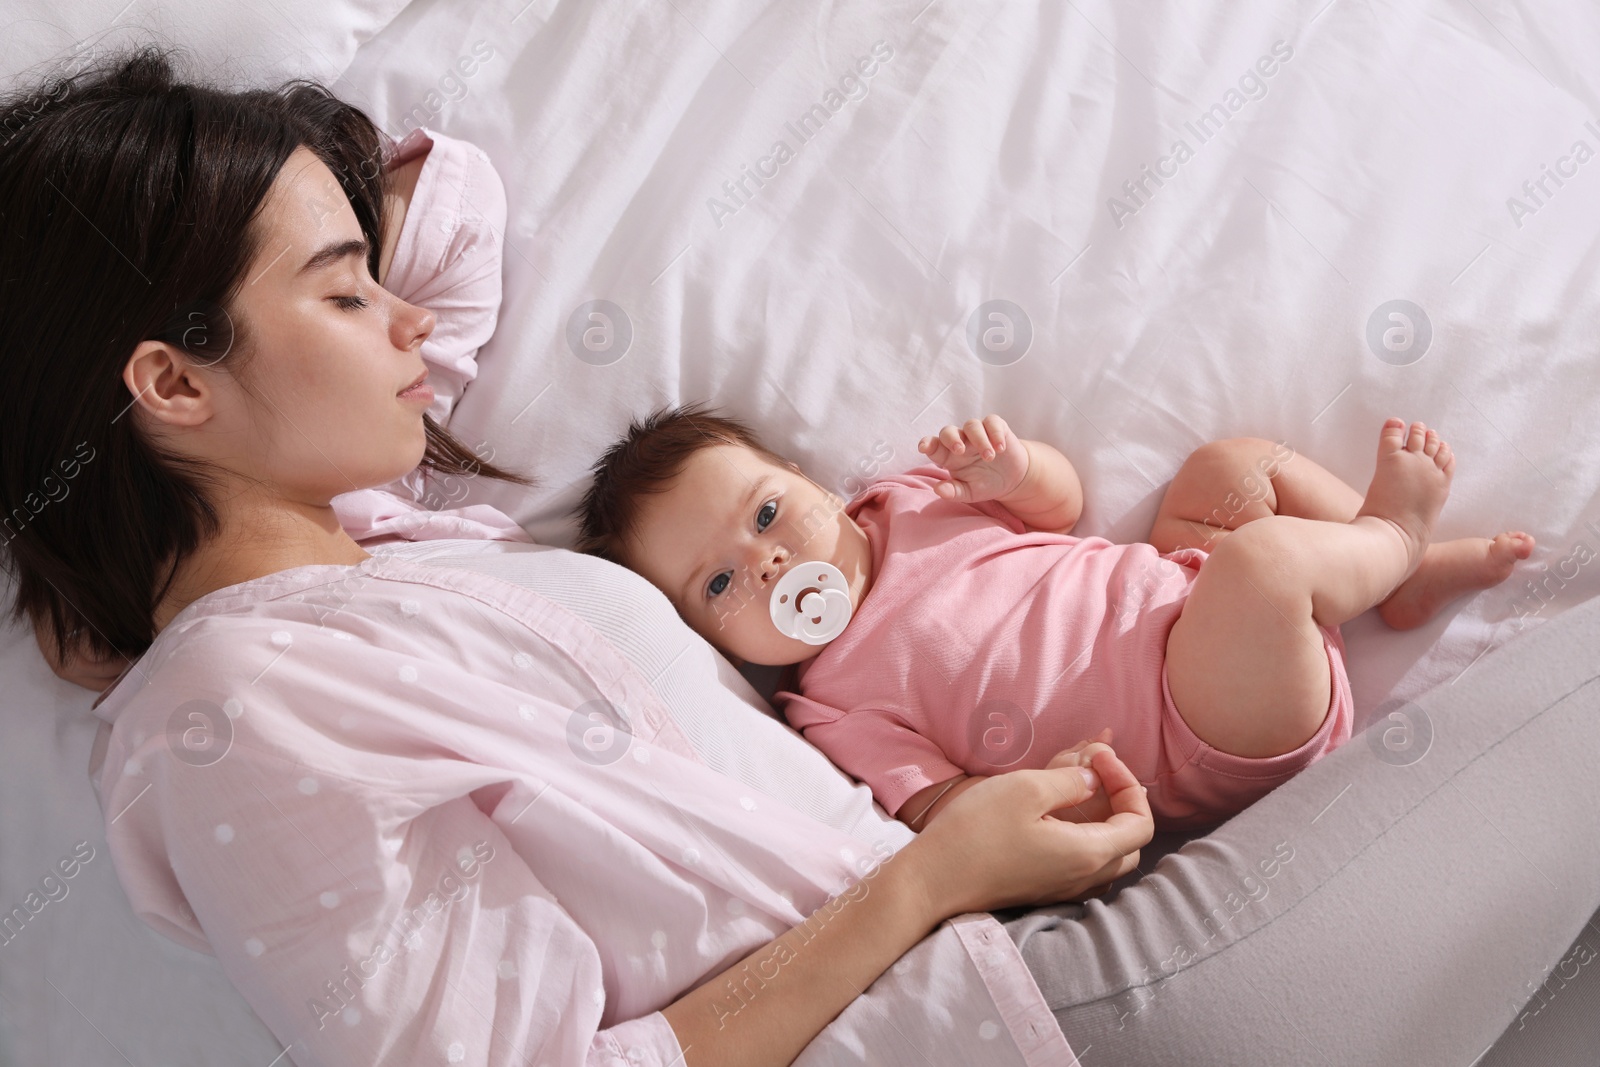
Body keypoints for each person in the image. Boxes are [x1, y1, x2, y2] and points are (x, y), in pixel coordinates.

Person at [2, 47, 1146, 1066]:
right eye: (346, 291)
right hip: (959, 1010)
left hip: (992, 948)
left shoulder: (378, 535)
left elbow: (448, 212)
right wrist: (933, 874)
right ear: (172, 382)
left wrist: (106, 533)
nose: (405, 322)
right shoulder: (231, 715)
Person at [573, 405, 1534, 832]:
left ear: (811, 481)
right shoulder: (829, 707)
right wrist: (1054, 790)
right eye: (719, 586)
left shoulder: (911, 496)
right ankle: (1392, 537)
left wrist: (1012, 470)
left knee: (1228, 469)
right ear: (712, 644)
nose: (767, 562)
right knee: (1264, 559)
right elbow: (944, 806)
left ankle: (1387, 585)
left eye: (769, 514)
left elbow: (1058, 510)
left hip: (1181, 586)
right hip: (1201, 724)